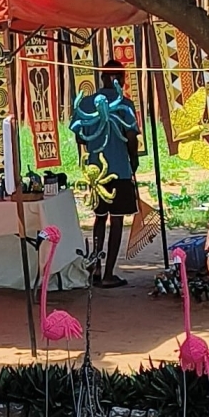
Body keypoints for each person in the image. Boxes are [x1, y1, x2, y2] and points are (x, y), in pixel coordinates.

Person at [77, 60, 140, 288]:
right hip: (119, 170)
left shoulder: (86, 103)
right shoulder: (124, 104)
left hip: (97, 173)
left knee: (100, 218)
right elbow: (131, 137)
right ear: (121, 79)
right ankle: (108, 274)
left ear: (102, 78)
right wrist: (133, 159)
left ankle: (96, 268)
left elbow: (80, 136)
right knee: (117, 220)